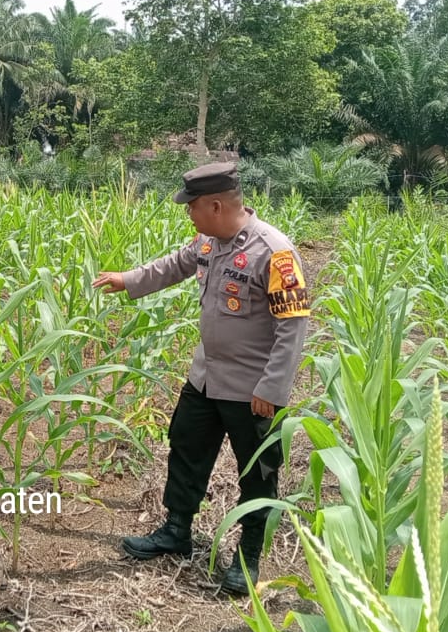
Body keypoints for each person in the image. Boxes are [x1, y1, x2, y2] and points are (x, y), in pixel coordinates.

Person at [92, 161, 310, 592]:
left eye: (191, 207)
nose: (188, 214)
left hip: (252, 389)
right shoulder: (210, 241)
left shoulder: (275, 251)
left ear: (214, 205)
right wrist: (127, 279)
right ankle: (177, 530)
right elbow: (174, 264)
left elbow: (293, 326)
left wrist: (273, 388)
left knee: (258, 474)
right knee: (186, 448)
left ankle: (247, 559)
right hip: (206, 377)